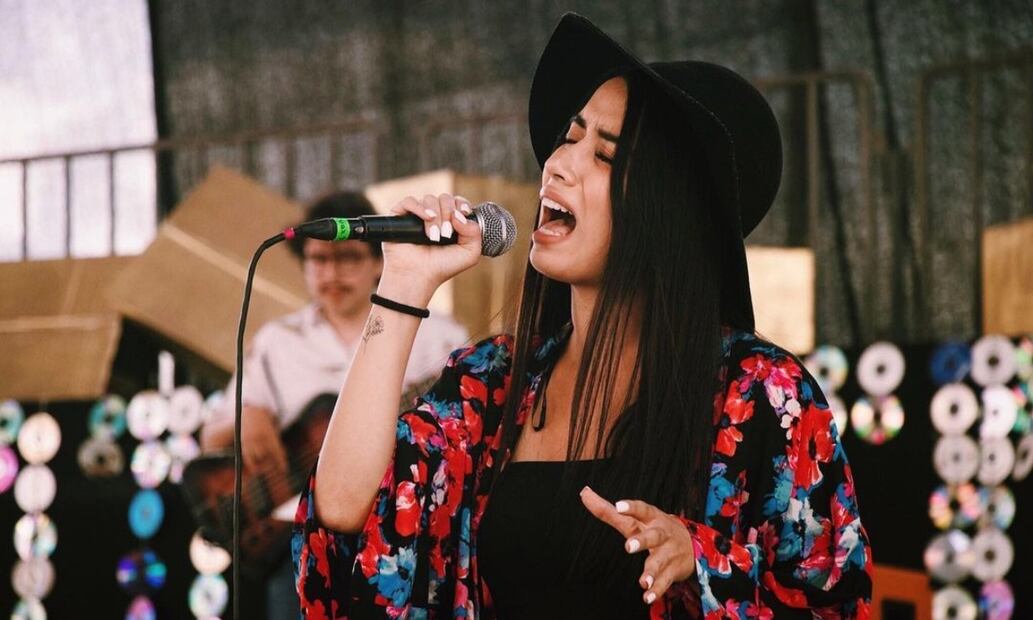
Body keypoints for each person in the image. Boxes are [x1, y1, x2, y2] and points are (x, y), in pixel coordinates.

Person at [293, 13, 872, 619]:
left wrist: (702, 561)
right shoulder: (492, 382)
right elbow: (345, 511)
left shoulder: (765, 395)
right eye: (570, 137)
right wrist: (403, 285)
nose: (559, 163)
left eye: (604, 154)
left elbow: (832, 604)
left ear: (667, 213)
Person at [199, 191, 469, 619]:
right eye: (318, 260)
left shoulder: (441, 338)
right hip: (298, 540)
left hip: (406, 532)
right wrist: (245, 417)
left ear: (379, 260)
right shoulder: (277, 341)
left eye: (348, 258)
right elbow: (210, 437)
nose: (332, 273)